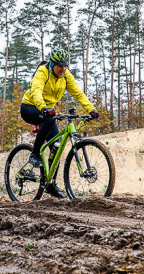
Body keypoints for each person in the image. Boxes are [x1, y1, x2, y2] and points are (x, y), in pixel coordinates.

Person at [20, 46, 100, 198]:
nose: (63, 68)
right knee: (50, 119)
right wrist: (43, 107)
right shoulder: (42, 72)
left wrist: (91, 109)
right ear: (52, 64)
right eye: (60, 65)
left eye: (65, 65)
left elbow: (77, 92)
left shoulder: (66, 75)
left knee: (56, 146)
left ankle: (50, 185)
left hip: (47, 112)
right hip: (30, 108)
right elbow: (36, 91)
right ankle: (35, 154)